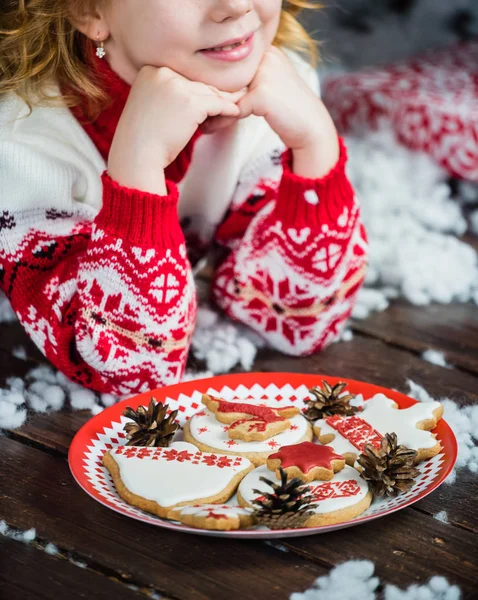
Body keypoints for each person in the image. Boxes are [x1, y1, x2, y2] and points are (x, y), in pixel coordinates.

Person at [0, 0, 368, 395]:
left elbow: (300, 325)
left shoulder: (275, 91)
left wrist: (315, 146)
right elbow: (131, 373)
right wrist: (138, 170)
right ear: (88, 11)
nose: (236, 6)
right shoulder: (23, 146)